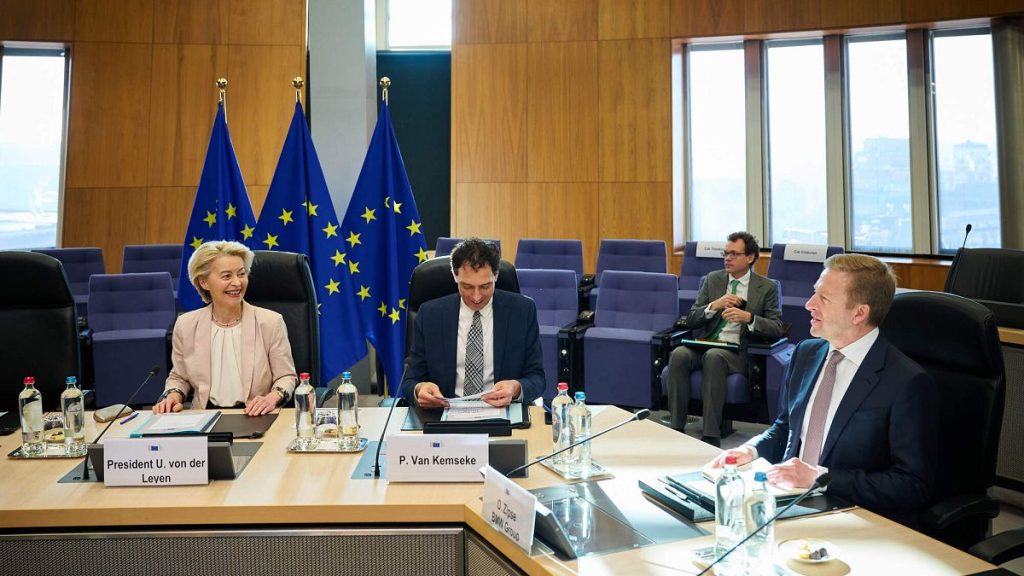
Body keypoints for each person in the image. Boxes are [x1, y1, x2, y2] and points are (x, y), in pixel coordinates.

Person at [709, 253, 938, 526]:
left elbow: (912, 485)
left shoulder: (906, 382)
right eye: (814, 293)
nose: (809, 304)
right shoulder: (806, 353)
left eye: (824, 299)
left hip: (852, 516)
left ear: (859, 313)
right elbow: (785, 427)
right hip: (786, 502)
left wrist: (819, 477)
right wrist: (750, 450)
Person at [665, 232, 784, 446]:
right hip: (708, 342)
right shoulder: (713, 280)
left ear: (749, 258)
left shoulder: (767, 287)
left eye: (734, 254)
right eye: (725, 253)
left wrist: (749, 318)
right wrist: (713, 306)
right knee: (679, 354)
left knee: (714, 356)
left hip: (739, 351)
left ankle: (711, 435)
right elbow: (691, 319)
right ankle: (676, 427)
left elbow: (776, 327)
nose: (727, 258)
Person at [153, 241, 297, 416]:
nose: (237, 283)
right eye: (227, 276)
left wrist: (271, 398)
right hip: (203, 417)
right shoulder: (186, 325)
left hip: (256, 414)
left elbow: (286, 376)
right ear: (204, 282)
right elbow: (179, 377)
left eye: (241, 274)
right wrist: (173, 396)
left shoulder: (270, 322)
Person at [402, 238, 545, 409]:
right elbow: (410, 380)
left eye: (485, 286)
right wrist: (420, 389)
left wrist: (515, 388)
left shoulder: (522, 311)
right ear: (455, 276)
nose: (476, 297)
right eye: (467, 287)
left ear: (496, 275)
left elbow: (537, 378)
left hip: (502, 412)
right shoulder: (429, 315)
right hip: (445, 412)